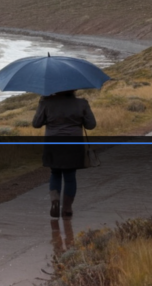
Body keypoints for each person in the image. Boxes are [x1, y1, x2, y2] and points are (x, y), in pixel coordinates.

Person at [32, 90, 96, 219]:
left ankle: (55, 200)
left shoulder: (46, 103)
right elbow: (91, 125)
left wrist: (42, 103)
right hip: (73, 144)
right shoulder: (81, 103)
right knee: (70, 177)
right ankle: (67, 208)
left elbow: (36, 124)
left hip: (53, 144)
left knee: (55, 173)